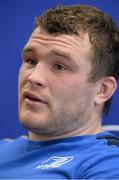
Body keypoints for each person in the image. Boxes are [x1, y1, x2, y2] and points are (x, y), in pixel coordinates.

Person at [0, 4, 119, 179]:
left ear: (103, 90)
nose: (34, 77)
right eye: (31, 61)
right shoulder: (4, 148)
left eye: (59, 66)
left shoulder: (108, 164)